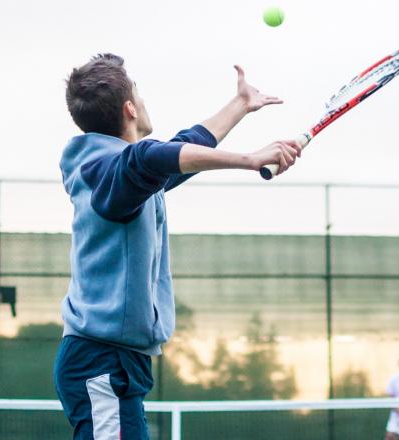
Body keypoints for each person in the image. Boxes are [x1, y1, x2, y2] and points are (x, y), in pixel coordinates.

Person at [53, 54, 302, 440]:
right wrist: (250, 159)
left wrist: (240, 106)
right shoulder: (110, 174)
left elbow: (180, 149)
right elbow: (153, 157)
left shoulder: (122, 175)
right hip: (100, 361)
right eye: (140, 93)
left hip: (115, 359)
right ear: (130, 108)